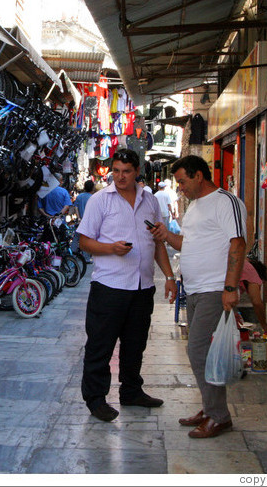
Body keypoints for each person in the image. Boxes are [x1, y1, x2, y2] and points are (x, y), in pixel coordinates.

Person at [149, 154, 247, 438]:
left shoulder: (226, 202)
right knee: (198, 351)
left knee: (199, 351)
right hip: (193, 289)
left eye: (182, 181)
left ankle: (219, 416)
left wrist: (230, 287)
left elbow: (238, 243)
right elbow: (188, 244)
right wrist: (166, 236)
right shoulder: (194, 207)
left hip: (214, 289)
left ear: (199, 176)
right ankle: (209, 407)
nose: (179, 188)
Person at [77, 148, 178, 422]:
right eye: (117, 171)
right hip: (109, 287)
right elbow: (84, 241)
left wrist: (169, 277)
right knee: (100, 344)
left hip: (142, 287)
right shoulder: (101, 201)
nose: (120, 177)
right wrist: (110, 248)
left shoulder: (150, 201)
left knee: (136, 344)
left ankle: (132, 391)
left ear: (137, 172)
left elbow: (157, 243)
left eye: (127, 171)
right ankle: (96, 399)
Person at [241, 259, 267, 335]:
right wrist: (264, 325)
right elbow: (257, 303)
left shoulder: (243, 265)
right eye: (260, 283)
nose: (259, 287)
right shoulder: (251, 271)